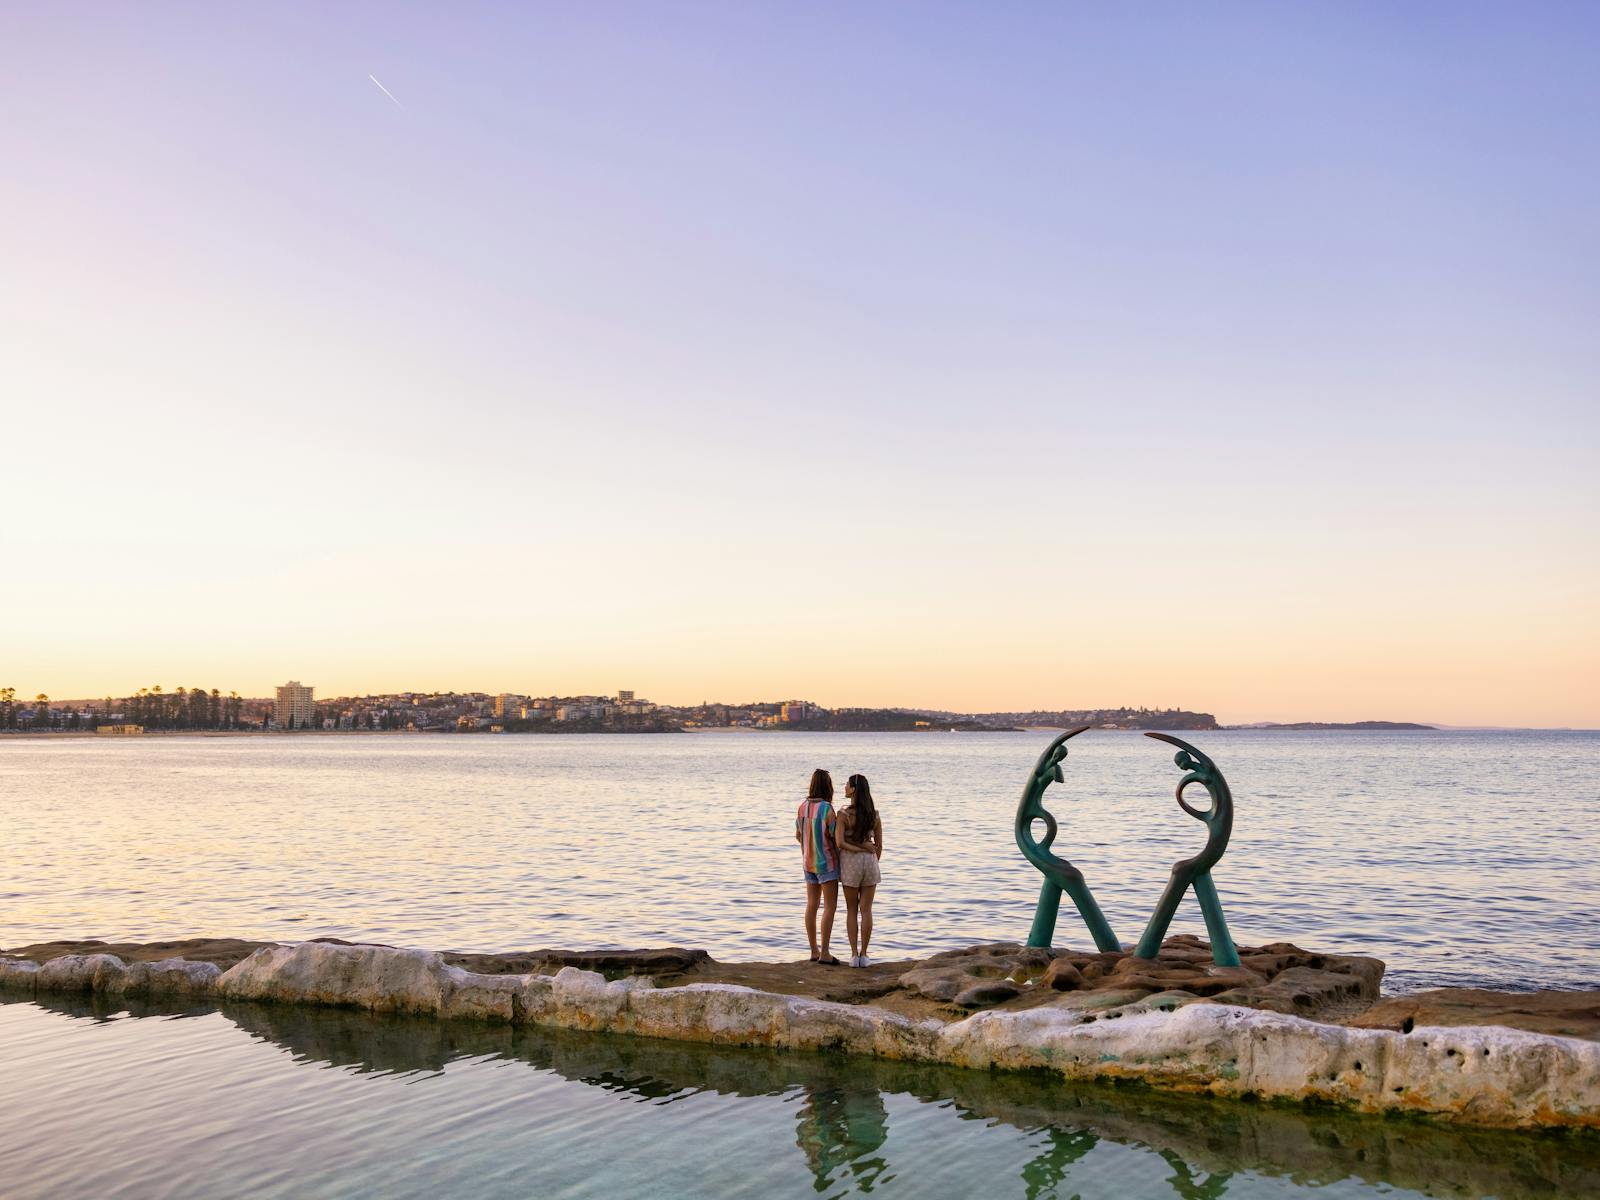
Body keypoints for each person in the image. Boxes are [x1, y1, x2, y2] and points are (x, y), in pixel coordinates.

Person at [834, 773, 882, 968]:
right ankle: (865, 954)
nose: (844, 787)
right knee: (867, 910)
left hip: (850, 864)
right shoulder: (875, 814)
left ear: (853, 789)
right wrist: (867, 852)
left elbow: (840, 843)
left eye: (847, 784)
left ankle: (854, 955)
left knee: (852, 910)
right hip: (870, 863)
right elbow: (878, 846)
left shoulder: (843, 814)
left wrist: (859, 849)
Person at [796, 768, 842, 964]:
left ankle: (814, 950)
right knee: (829, 907)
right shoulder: (827, 809)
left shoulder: (802, 807)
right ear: (828, 786)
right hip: (827, 863)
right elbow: (835, 837)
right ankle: (825, 953)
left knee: (811, 905)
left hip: (808, 862)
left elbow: (799, 836)